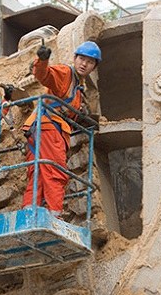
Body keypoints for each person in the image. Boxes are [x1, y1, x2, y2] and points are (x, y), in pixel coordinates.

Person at [21, 40, 101, 216]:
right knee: (55, 171)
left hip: (38, 128)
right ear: (75, 58)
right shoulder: (66, 73)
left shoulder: (78, 89)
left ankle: (28, 212)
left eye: (89, 62)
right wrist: (42, 60)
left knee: (39, 172)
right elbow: (44, 75)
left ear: (94, 67)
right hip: (50, 128)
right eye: (82, 59)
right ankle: (54, 215)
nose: (84, 64)